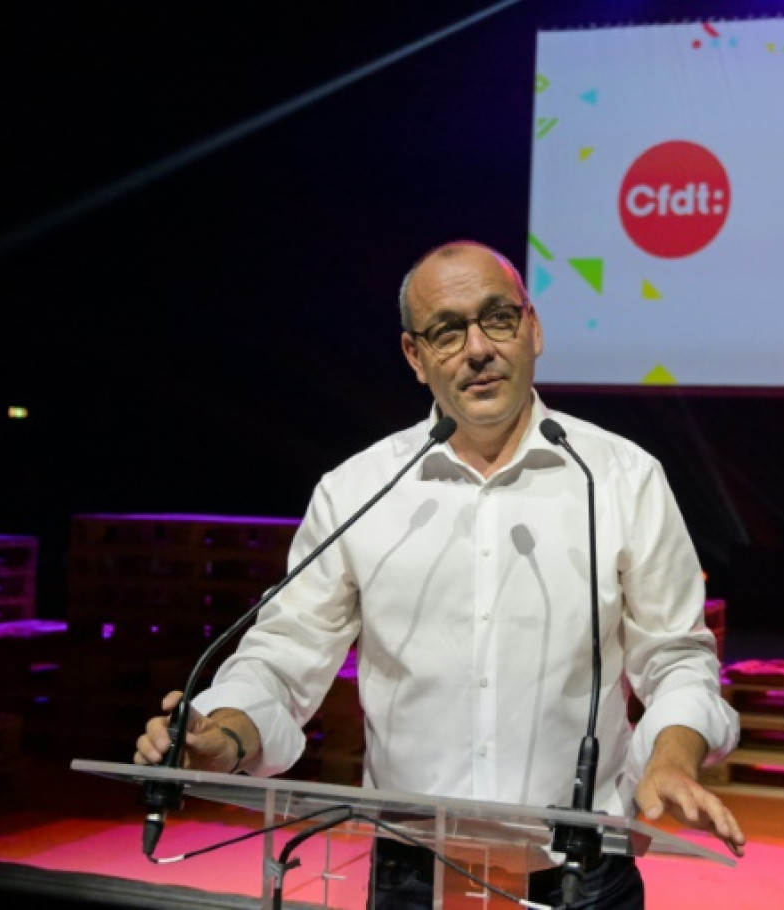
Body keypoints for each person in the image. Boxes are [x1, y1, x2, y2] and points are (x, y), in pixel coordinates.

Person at [135, 241, 745, 909]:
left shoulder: (622, 478)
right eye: (447, 332)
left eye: (497, 320)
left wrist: (672, 756)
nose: (477, 348)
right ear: (414, 357)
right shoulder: (357, 489)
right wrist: (224, 735)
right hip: (410, 877)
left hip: (580, 876)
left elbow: (677, 658)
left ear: (534, 328)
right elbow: (282, 660)